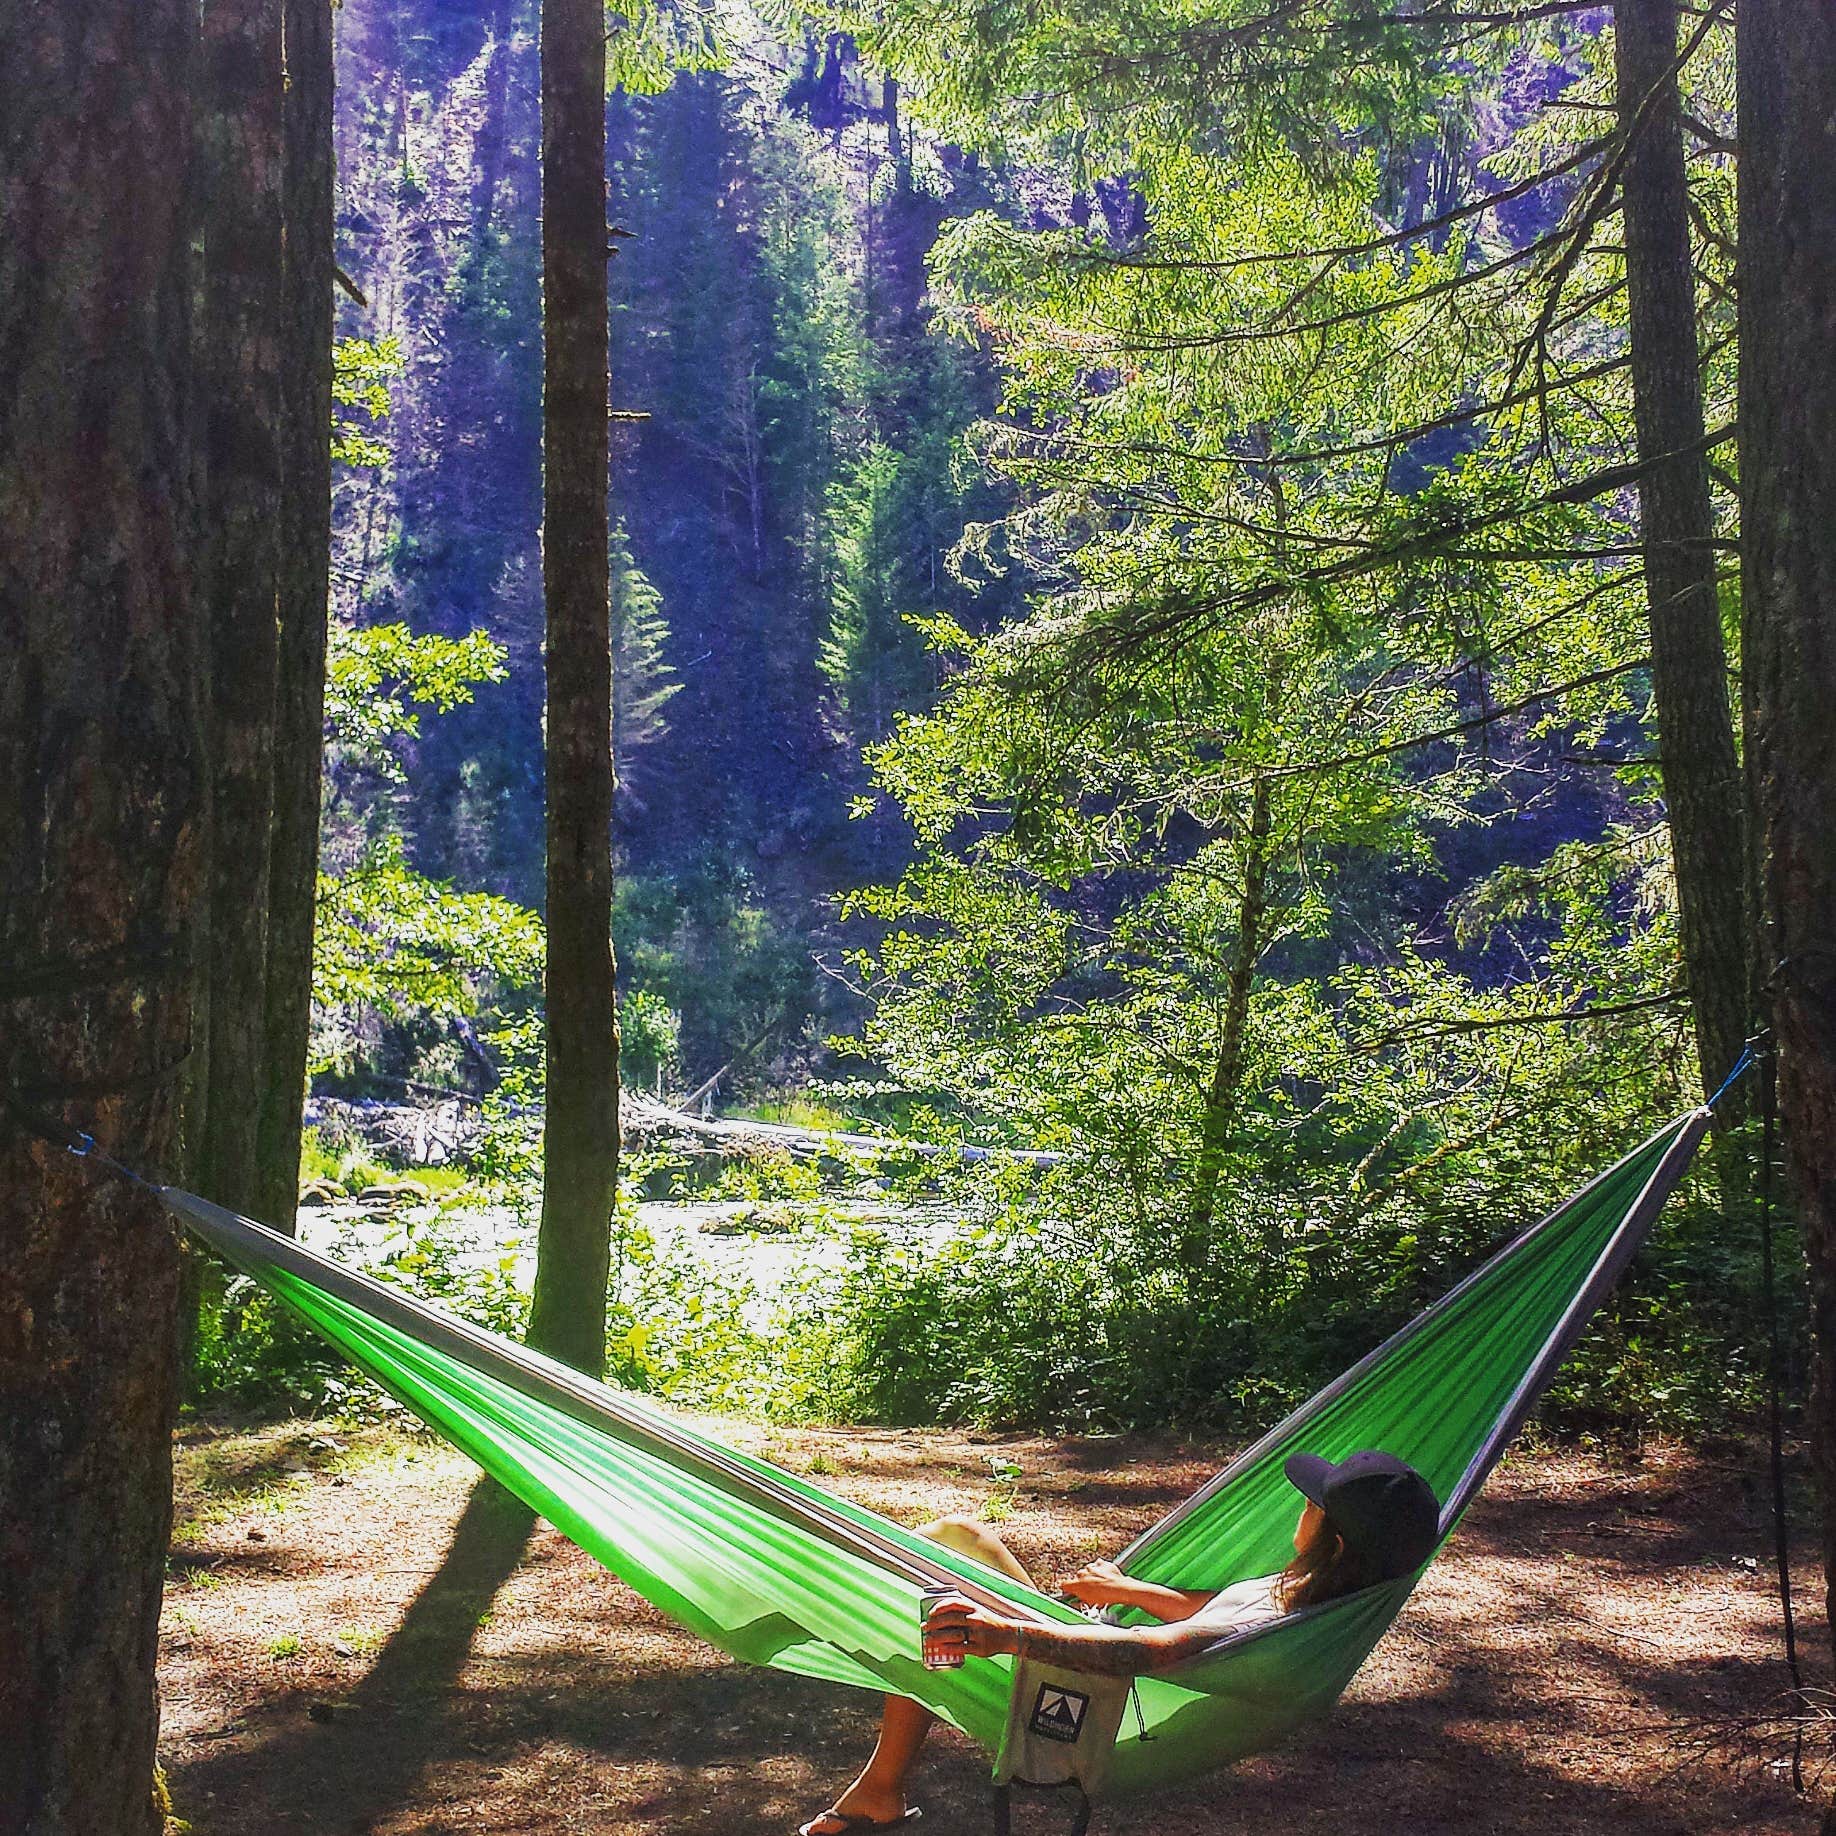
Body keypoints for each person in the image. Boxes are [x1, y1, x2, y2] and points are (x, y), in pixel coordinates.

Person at [797, 1449, 1439, 1836]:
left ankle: (810, 1607)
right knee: (961, 1536)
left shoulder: (1279, 1628)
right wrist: (1129, 1590)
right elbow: (1206, 1615)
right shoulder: (1325, 1595)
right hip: (1096, 1666)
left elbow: (1156, 1652)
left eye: (1312, 1506)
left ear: (1335, 1539)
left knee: (935, 1604)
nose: (1300, 1509)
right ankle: (880, 1786)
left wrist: (1009, 1635)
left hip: (1087, 1702)